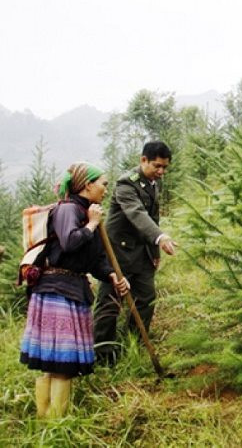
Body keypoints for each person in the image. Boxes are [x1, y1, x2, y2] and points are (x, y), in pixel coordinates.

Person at [19, 162, 130, 418]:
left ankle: (47, 423)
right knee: (59, 365)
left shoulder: (88, 212)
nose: (106, 188)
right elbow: (70, 242)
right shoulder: (69, 209)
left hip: (70, 290)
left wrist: (112, 275)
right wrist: (91, 224)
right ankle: (53, 423)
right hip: (58, 292)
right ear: (87, 185)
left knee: (57, 365)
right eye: (102, 183)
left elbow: (95, 258)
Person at [93, 141, 177, 365]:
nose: (161, 172)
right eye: (157, 166)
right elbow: (137, 214)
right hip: (118, 252)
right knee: (111, 300)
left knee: (146, 298)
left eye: (165, 168)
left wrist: (155, 250)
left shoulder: (153, 183)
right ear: (143, 160)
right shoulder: (126, 184)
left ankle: (134, 345)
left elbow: (153, 218)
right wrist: (161, 237)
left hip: (143, 254)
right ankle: (102, 353)